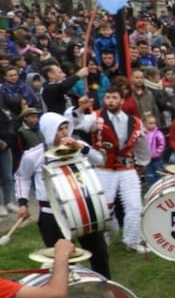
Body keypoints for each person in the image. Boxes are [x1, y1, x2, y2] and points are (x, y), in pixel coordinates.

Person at [15, 112, 113, 277]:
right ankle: (68, 293)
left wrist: (82, 148)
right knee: (62, 260)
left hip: (83, 209)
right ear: (48, 130)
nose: (64, 133)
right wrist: (23, 203)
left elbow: (100, 160)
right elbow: (22, 177)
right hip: (52, 214)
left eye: (66, 127)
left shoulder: (78, 146)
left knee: (99, 253)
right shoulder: (34, 155)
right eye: (59, 129)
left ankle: (105, 286)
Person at [79, 85, 149, 253]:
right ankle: (110, 233)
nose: (110, 101)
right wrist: (81, 109)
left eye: (114, 97)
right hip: (104, 168)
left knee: (134, 205)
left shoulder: (135, 121)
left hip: (127, 167)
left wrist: (142, 162)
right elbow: (78, 124)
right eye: (108, 97)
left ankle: (132, 241)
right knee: (104, 208)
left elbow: (141, 144)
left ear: (122, 100)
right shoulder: (96, 118)